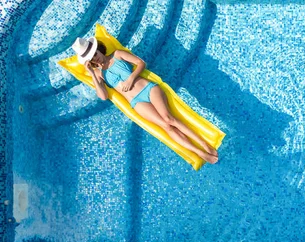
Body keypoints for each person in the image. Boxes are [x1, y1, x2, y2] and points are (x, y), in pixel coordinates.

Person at [71, 37, 219, 164]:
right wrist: (91, 73)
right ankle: (199, 153)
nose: (95, 58)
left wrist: (131, 78)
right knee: (165, 126)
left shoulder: (117, 55)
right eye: (91, 58)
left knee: (169, 119)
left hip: (149, 89)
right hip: (136, 101)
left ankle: (203, 144)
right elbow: (103, 96)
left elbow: (141, 63)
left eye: (94, 54)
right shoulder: (98, 73)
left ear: (98, 49)